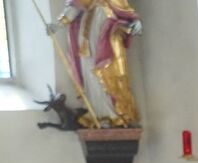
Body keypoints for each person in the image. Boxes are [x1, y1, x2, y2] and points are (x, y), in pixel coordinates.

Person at [48, 0, 142, 128]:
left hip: (106, 29)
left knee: (107, 71)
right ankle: (97, 114)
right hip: (87, 31)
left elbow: (123, 8)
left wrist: (135, 20)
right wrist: (57, 25)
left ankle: (114, 115)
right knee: (89, 72)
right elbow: (75, 6)